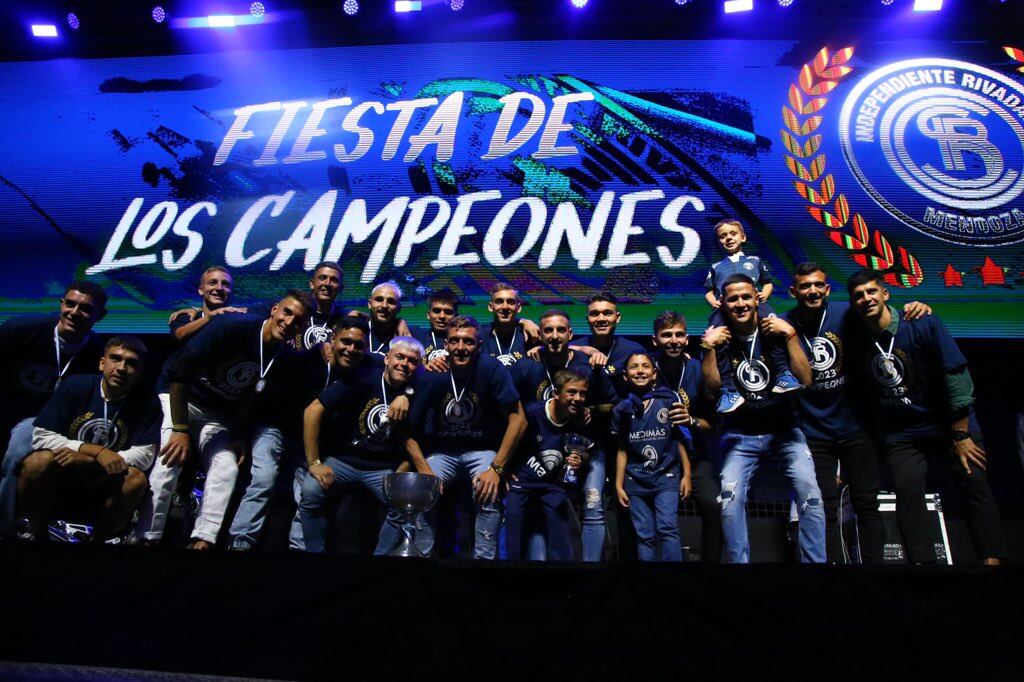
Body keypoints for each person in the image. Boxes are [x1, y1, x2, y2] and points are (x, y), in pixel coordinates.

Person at [845, 269, 1003, 565]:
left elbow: (956, 376)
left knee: (974, 482)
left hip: (949, 423)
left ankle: (992, 563)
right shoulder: (856, 336)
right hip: (903, 432)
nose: (866, 299)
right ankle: (922, 565)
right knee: (907, 492)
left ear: (885, 293)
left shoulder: (922, 322)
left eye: (872, 292)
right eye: (859, 296)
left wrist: (961, 434)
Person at [136, 290, 312, 549]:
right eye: (286, 313)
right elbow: (179, 375)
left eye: (298, 321)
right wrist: (180, 429)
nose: (289, 322)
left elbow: (252, 397)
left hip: (217, 414)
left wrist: (238, 434)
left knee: (227, 466)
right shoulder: (232, 326)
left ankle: (203, 540)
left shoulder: (280, 354)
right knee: (170, 459)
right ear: (274, 309)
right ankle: (146, 538)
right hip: (180, 398)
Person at [782, 263, 931, 563]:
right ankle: (832, 574)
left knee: (866, 504)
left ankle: (873, 571)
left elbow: (883, 317)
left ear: (827, 289)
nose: (812, 291)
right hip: (814, 432)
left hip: (855, 428)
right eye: (805, 286)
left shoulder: (847, 313)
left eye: (818, 285)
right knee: (822, 508)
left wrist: (916, 307)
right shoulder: (786, 323)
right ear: (793, 290)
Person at [228, 316, 385, 551]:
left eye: (359, 345)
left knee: (309, 491)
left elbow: (398, 365)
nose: (351, 349)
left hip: (312, 440)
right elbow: (257, 395)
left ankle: (300, 551)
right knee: (264, 478)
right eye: (345, 342)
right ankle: (240, 543)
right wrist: (239, 434)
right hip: (276, 428)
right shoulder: (305, 360)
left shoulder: (366, 366)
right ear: (333, 339)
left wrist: (407, 392)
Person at [701, 274, 826, 563]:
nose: (741, 303)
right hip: (740, 436)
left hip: (785, 431)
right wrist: (707, 348)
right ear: (723, 303)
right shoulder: (717, 334)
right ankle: (740, 570)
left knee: (811, 495)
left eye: (746, 297)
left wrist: (791, 335)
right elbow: (710, 393)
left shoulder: (776, 326)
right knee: (730, 503)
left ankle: (817, 569)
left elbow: (806, 379)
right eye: (733, 299)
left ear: (757, 297)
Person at [16, 337, 159, 542]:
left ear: (140, 372)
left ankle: (96, 543)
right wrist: (95, 452)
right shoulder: (75, 385)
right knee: (36, 462)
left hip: (103, 480)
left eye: (131, 363)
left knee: (136, 478)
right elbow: (42, 437)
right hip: (63, 473)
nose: (121, 368)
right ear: (102, 363)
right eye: (115, 359)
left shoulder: (147, 401)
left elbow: (144, 455)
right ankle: (39, 536)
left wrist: (93, 461)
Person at [406, 315, 526, 558]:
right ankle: (420, 559)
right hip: (442, 451)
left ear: (479, 346)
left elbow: (519, 420)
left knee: (488, 488)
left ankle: (484, 562)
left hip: (481, 449)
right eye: (454, 341)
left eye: (468, 342)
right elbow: (407, 430)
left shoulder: (490, 368)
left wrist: (497, 469)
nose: (460, 348)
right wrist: (424, 469)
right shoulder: (433, 373)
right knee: (423, 489)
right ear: (445, 345)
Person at [0, 281, 108, 537]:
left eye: (85, 309)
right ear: (61, 303)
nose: (74, 312)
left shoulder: (98, 353)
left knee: (17, 451)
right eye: (70, 304)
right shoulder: (21, 330)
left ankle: (5, 530)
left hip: (43, 422)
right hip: (6, 407)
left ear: (99, 316)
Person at [298, 337, 422, 554]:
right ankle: (314, 556)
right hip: (343, 461)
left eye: (412, 361)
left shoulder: (420, 389)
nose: (404, 364)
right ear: (386, 358)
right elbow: (312, 410)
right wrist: (314, 462)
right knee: (310, 491)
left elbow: (419, 436)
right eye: (399, 357)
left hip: (382, 469)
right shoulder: (362, 379)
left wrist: (404, 465)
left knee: (404, 502)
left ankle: (379, 561)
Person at [513, 309, 615, 561]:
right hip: (541, 452)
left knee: (592, 503)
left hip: (586, 449)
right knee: (541, 512)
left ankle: (590, 570)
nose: (555, 335)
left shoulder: (586, 366)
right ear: (540, 335)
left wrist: (587, 409)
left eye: (561, 330)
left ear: (570, 334)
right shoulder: (530, 364)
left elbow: (613, 404)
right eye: (548, 330)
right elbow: (510, 409)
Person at [703, 220, 798, 413]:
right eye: (723, 236)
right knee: (717, 338)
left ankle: (783, 374)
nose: (728, 238)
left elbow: (768, 282)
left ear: (743, 237)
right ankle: (729, 391)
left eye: (732, 233)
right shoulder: (716, 266)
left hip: (756, 307)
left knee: (773, 328)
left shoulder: (755, 261)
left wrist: (765, 293)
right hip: (725, 310)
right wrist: (713, 301)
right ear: (718, 242)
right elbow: (708, 291)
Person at [650, 311, 722, 563]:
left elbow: (713, 424)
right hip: (654, 460)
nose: (673, 340)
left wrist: (690, 420)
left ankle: (709, 572)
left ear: (687, 338)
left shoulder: (697, 369)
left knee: (713, 506)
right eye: (666, 335)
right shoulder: (644, 367)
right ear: (654, 340)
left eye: (679, 335)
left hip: (696, 454)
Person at [505, 370, 597, 561]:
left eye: (583, 393)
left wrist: (580, 458)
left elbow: (586, 450)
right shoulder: (532, 413)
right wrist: (504, 469)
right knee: (512, 531)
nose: (578, 398)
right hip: (523, 480)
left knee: (562, 540)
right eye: (572, 392)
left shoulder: (582, 418)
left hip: (554, 484)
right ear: (556, 393)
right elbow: (507, 440)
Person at [613, 353, 692, 562]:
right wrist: (619, 485)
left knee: (668, 529)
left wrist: (687, 475)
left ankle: (672, 582)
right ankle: (647, 583)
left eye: (645, 366)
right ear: (625, 376)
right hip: (635, 480)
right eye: (634, 367)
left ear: (654, 373)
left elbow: (679, 438)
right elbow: (622, 449)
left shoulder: (668, 399)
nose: (640, 371)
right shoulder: (621, 409)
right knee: (644, 536)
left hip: (666, 477)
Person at [567, 292, 646, 400]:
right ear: (587, 318)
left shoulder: (633, 350)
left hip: (622, 414)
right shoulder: (575, 348)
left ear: (617, 317)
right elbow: (552, 351)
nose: (601, 319)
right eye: (594, 314)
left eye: (607, 313)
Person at [169, 266, 247, 343]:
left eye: (225, 284)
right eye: (212, 283)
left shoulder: (240, 319)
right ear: (201, 290)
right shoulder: (187, 317)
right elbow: (179, 335)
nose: (219, 288)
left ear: (231, 291)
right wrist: (210, 316)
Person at [481, 283, 540, 367]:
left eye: (510, 302)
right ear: (491, 307)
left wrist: (542, 349)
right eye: (499, 302)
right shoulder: (480, 334)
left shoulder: (529, 334)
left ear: (518, 307)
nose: (505, 307)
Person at [409, 287, 459, 372]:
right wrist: (400, 322)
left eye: (448, 312)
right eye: (437, 311)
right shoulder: (415, 335)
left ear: (456, 316)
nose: (442, 316)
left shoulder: (463, 342)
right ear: (428, 315)